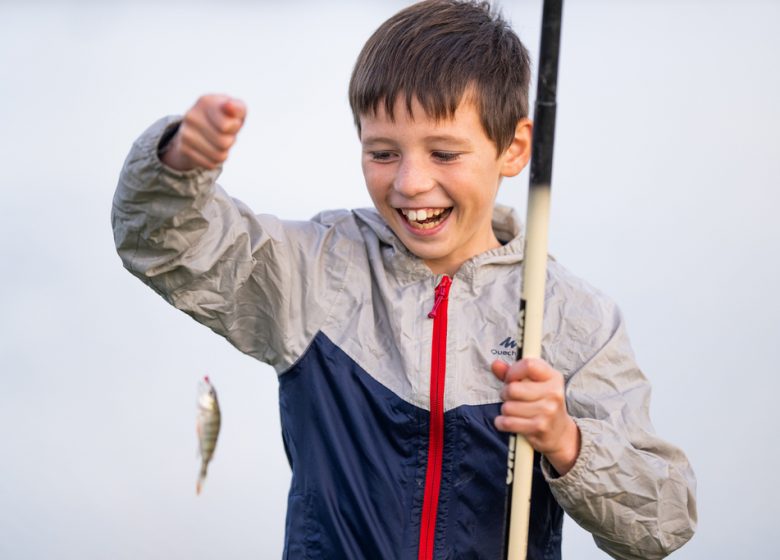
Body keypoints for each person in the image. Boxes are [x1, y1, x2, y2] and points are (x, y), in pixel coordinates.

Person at [112, 1, 696, 558]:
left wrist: (566, 441)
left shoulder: (574, 317)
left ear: (514, 147)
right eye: (383, 152)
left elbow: (662, 526)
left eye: (444, 153)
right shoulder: (315, 272)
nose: (411, 182)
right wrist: (180, 165)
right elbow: (167, 245)